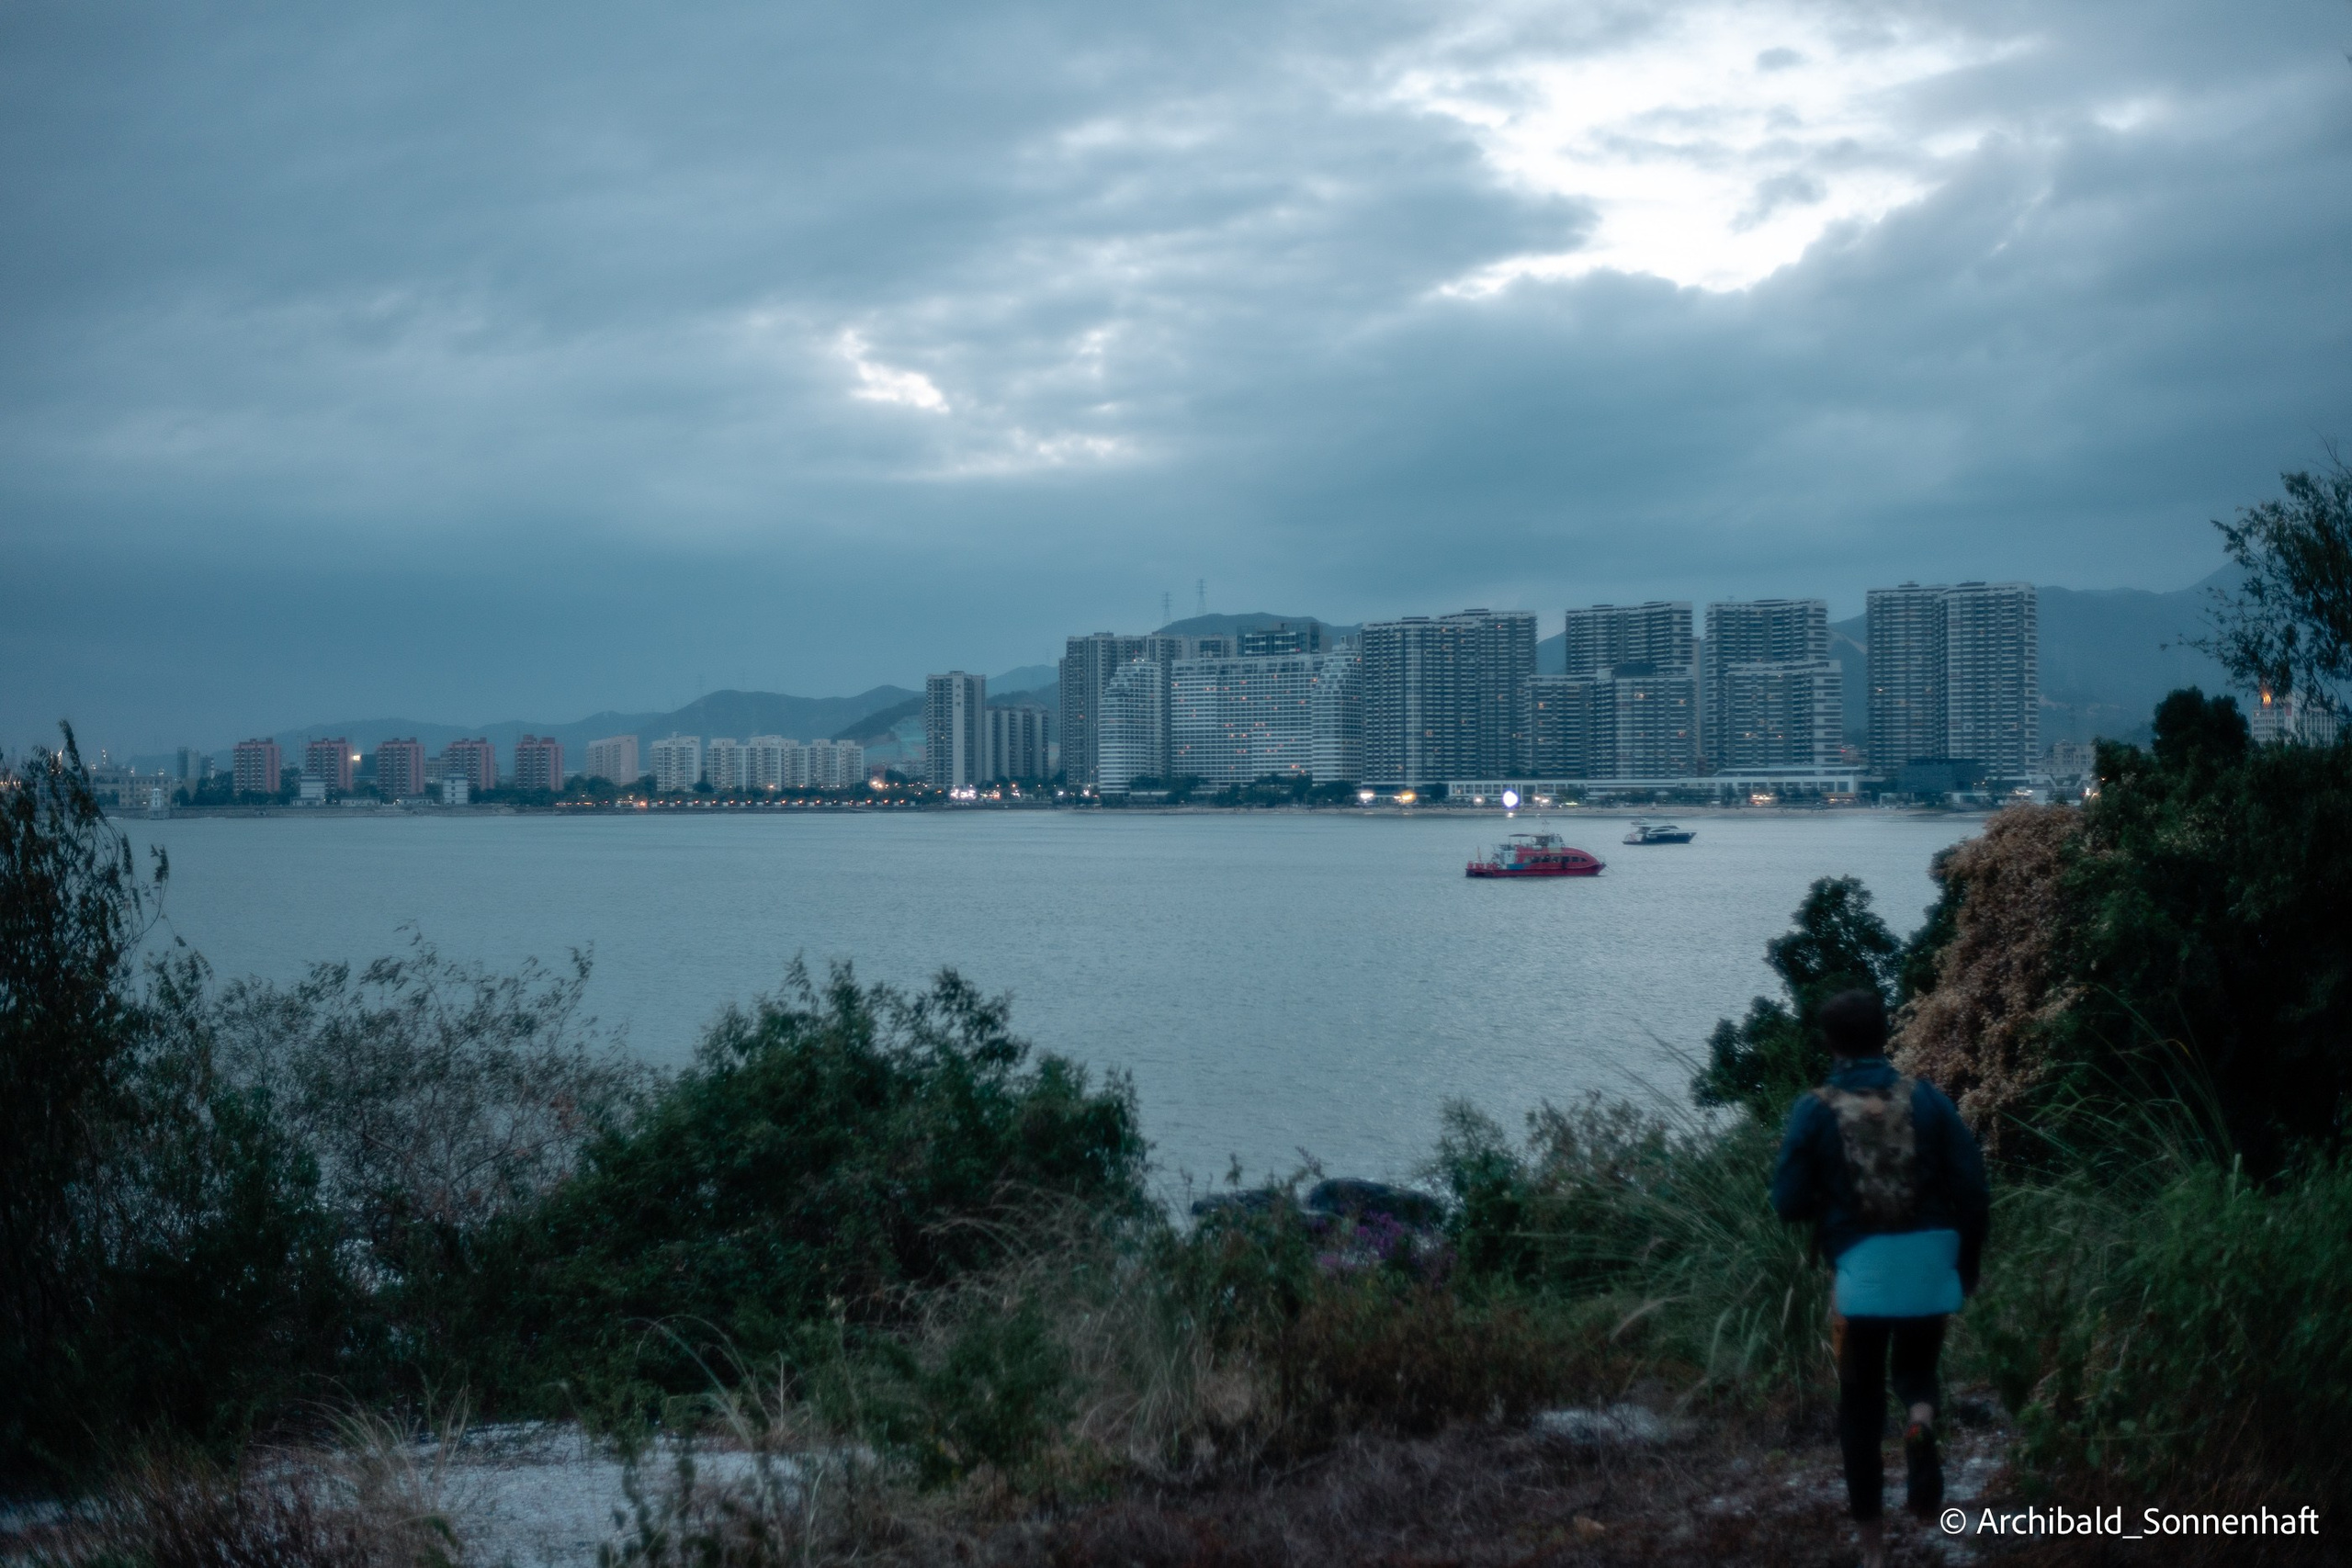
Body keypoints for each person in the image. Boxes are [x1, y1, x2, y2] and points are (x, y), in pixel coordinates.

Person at [1771, 988, 1989, 1568]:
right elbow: (1974, 1189)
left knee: (1860, 1407)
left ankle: (1872, 1552)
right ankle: (1919, 1422)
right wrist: (1965, 1266)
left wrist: (1826, 1194)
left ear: (1830, 1043)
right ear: (1885, 1033)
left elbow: (1787, 1202)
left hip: (1861, 1277)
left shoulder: (1814, 1109)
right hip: (1928, 1265)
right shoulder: (1930, 1101)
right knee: (1916, 1372)